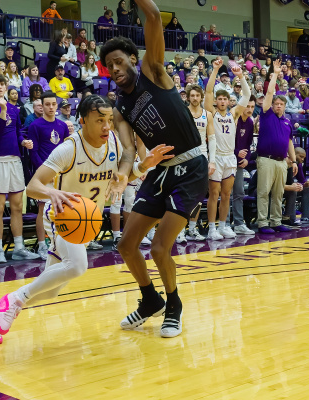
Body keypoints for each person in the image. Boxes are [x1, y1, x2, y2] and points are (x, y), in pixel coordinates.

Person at [0, 94, 170, 344]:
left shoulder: (113, 142)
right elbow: (33, 186)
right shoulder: (69, 148)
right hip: (61, 216)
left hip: (86, 220)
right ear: (82, 121)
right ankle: (12, 301)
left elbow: (120, 178)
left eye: (109, 120)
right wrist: (52, 191)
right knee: (77, 265)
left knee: (51, 290)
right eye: (99, 120)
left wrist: (143, 166)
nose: (106, 126)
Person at [100, 0, 209, 338]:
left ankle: (173, 303)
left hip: (191, 167)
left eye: (118, 61)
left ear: (132, 59)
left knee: (160, 248)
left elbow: (153, 16)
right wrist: (122, 173)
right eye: (108, 66)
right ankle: (150, 299)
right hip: (159, 172)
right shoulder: (120, 108)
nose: (114, 68)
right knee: (126, 245)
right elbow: (130, 150)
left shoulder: (153, 71)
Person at [0, 74, 39, 263]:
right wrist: (2, 111)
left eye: (2, 84)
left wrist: (24, 141)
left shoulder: (14, 109)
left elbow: (17, 132)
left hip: (15, 160)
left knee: (17, 206)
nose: (0, 87)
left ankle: (19, 247)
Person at [204, 58, 251, 240]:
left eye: (225, 99)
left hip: (230, 157)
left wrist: (240, 76)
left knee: (226, 194)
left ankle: (223, 226)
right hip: (215, 157)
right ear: (216, 101)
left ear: (229, 101)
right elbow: (208, 91)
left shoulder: (234, 114)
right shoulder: (212, 113)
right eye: (220, 99)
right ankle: (211, 228)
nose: (223, 101)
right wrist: (215, 70)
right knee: (213, 194)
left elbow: (246, 95)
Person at [256, 58, 297, 234]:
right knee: (264, 192)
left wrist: (294, 161)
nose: (278, 106)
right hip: (266, 159)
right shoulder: (267, 115)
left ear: (285, 106)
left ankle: (276, 221)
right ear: (272, 105)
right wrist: (275, 74)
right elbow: (270, 92)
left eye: (281, 104)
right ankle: (262, 223)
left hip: (282, 162)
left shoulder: (288, 121)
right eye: (276, 104)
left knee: (278, 193)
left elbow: (289, 142)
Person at [28, 91, 70, 260]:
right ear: (42, 106)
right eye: (47, 104)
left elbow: (69, 150)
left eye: (54, 104)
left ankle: (61, 242)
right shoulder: (35, 126)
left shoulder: (63, 126)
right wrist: (45, 173)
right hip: (45, 175)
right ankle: (41, 245)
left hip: (62, 175)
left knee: (62, 209)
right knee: (42, 209)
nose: (51, 107)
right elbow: (34, 153)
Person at [182, 84, 214, 241]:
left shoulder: (207, 115)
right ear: (188, 97)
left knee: (198, 196)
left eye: (197, 95)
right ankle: (180, 230)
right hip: (185, 157)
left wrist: (212, 161)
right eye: (192, 95)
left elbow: (212, 139)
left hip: (201, 158)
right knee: (182, 195)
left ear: (201, 97)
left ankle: (192, 229)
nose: (195, 98)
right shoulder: (183, 113)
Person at [231, 95, 256, 235]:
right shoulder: (234, 119)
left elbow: (248, 144)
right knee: (226, 193)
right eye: (248, 106)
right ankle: (225, 224)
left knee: (239, 192)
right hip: (227, 159)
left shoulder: (251, 122)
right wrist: (236, 152)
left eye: (252, 107)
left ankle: (239, 224)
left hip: (240, 162)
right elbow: (226, 141)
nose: (250, 109)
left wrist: (246, 159)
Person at [283, 147, 309, 225]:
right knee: (293, 190)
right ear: (293, 154)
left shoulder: (298, 165)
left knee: (307, 188)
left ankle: (306, 217)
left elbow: (302, 180)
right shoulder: (284, 163)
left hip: (287, 187)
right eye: (301, 157)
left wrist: (305, 184)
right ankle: (290, 218)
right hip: (281, 187)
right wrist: (293, 187)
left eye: (304, 158)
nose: (302, 159)